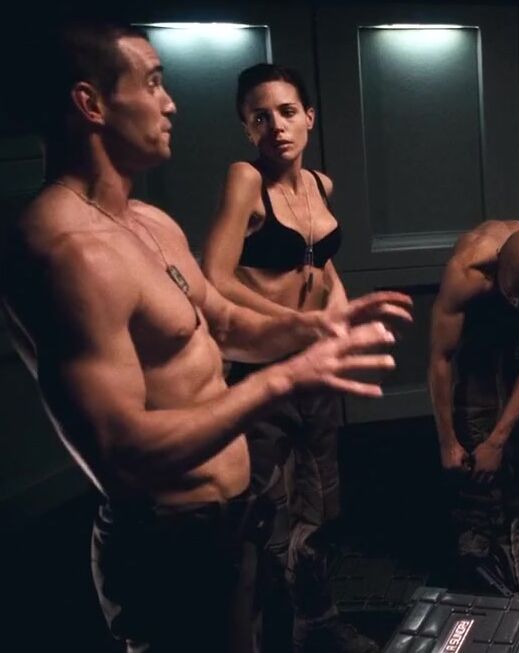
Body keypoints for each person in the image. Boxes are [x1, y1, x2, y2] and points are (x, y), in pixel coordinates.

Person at [0, 22, 411, 653]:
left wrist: (314, 326)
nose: (171, 104)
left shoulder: (149, 222)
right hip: (168, 538)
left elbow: (222, 322)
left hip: (227, 519)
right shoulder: (68, 250)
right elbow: (122, 450)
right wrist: (285, 376)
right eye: (153, 83)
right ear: (91, 104)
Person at [201, 63, 376, 652]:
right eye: (260, 117)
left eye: (287, 111)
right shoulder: (245, 180)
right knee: (254, 516)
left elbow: (319, 264)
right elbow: (215, 276)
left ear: (309, 118)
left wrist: (341, 318)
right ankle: (252, 640)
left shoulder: (321, 185)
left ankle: (316, 623)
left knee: (318, 503)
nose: (275, 125)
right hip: (260, 370)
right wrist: (296, 322)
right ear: (247, 129)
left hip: (313, 367)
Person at [428, 221, 519, 583]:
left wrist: (497, 442)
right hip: (480, 312)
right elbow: (441, 359)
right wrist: (447, 442)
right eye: (513, 295)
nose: (516, 304)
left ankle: (515, 513)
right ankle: (475, 524)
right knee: (475, 404)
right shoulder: (466, 271)